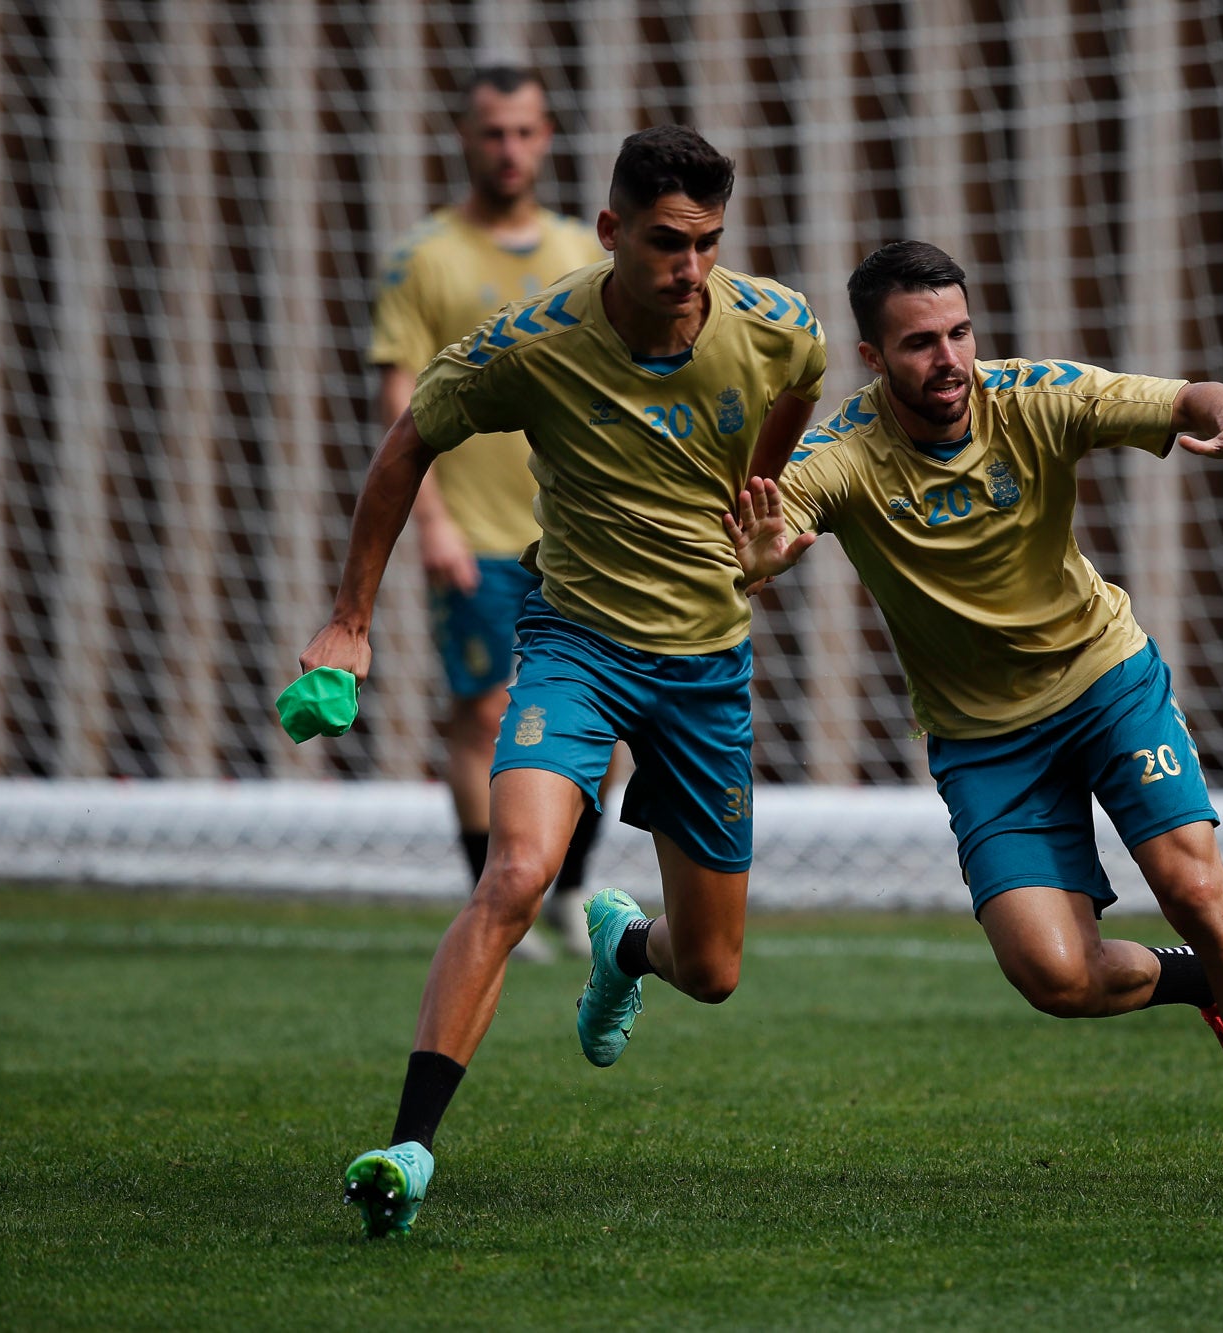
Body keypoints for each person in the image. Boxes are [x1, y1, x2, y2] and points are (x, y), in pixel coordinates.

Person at [728, 240, 1223, 1208]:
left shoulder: (1033, 396)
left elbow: (1193, 396)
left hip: (1102, 679)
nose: (948, 360)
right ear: (870, 356)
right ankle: (1198, 986)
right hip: (984, 741)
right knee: (1052, 975)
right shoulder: (844, 448)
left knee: (1191, 880)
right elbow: (774, 530)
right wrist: (762, 555)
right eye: (919, 344)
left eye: (959, 332)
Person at [301, 125, 827, 1235]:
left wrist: (764, 501)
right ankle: (407, 1147)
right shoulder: (530, 346)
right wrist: (349, 621)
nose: (689, 271)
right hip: (575, 645)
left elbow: (802, 383)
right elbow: (404, 446)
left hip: (704, 669)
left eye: (708, 245)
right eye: (665, 244)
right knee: (517, 871)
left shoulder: (777, 327)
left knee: (716, 969)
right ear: (607, 231)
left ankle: (625, 949)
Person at [368, 66, 606, 960]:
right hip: (473, 533)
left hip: (578, 537)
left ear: (546, 138)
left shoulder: (585, 251)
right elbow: (402, 399)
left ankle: (570, 889)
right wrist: (430, 519)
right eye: (491, 132)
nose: (508, 148)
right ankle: (492, 899)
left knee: (606, 714)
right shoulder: (423, 257)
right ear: (464, 137)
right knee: (481, 712)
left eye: (523, 131)